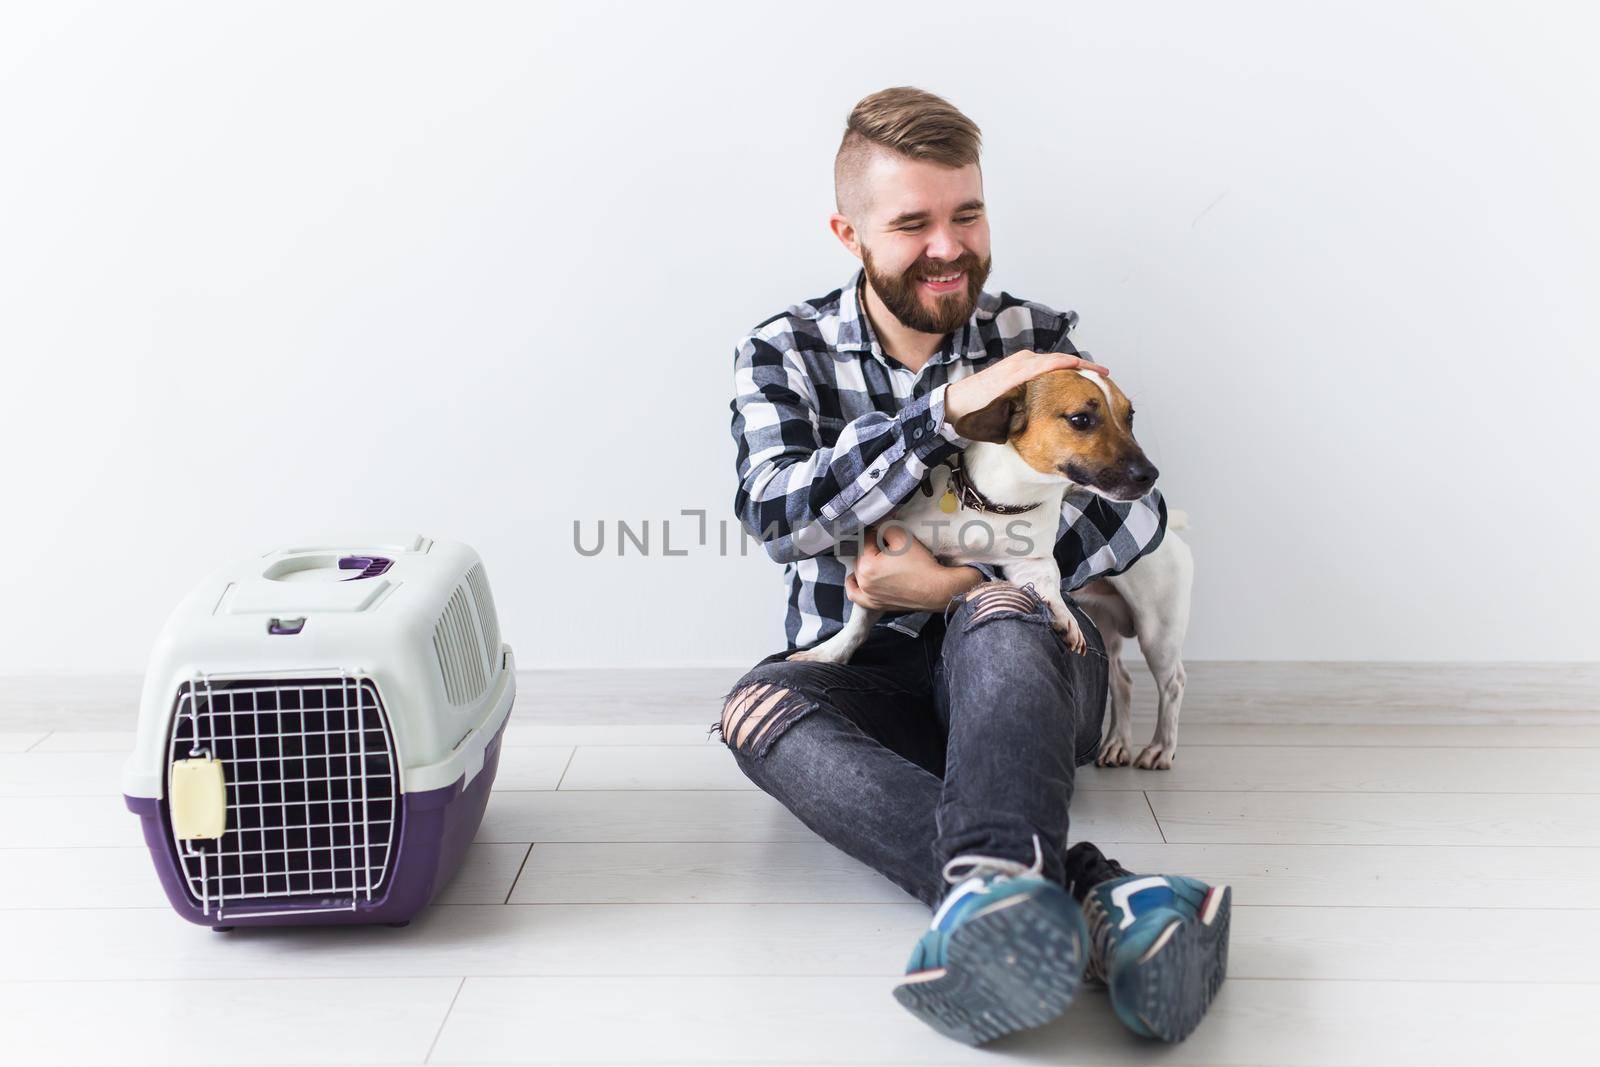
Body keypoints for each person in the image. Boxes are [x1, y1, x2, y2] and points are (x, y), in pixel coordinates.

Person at [712, 87, 1230, 1047]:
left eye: (968, 213)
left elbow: (1139, 513)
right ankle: (1094, 892)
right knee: (753, 711)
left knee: (996, 617)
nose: (948, 246)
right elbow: (778, 517)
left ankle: (999, 899)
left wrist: (957, 579)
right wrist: (942, 416)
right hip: (865, 673)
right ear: (849, 229)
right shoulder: (781, 352)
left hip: (1026, 672)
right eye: (912, 223)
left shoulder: (1041, 340)